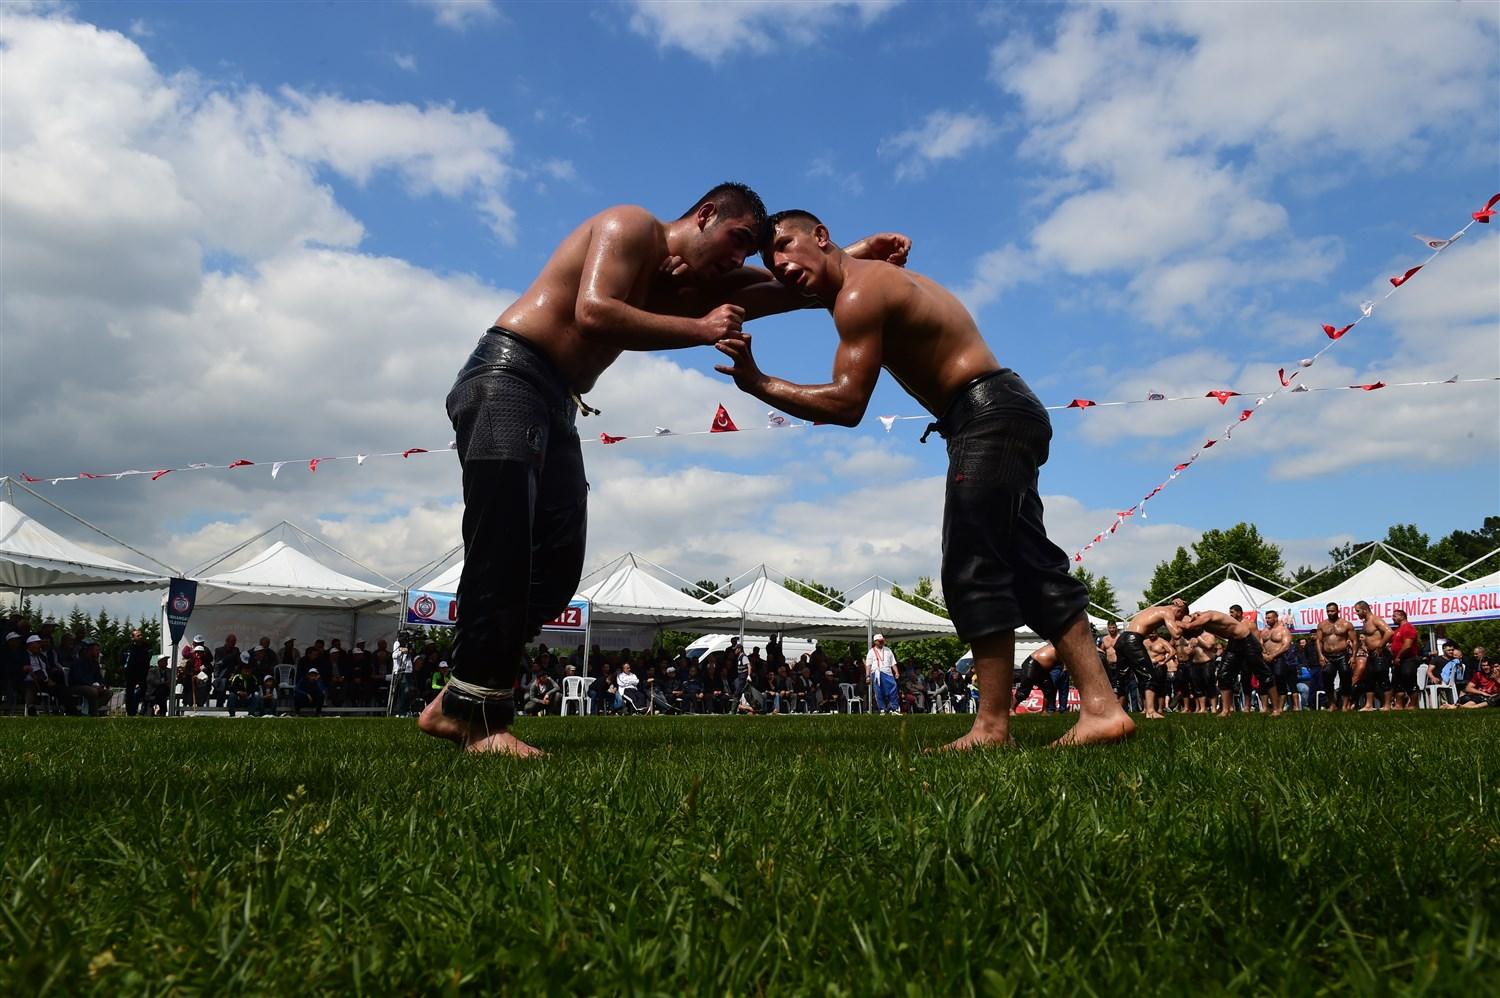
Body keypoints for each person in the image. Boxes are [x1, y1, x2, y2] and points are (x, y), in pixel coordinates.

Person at [418, 185, 906, 755]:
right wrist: (700, 328)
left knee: (554, 564)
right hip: (510, 375)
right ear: (704, 215)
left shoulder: (679, 279)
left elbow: (783, 291)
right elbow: (594, 311)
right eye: (739, 239)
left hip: (555, 396)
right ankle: (476, 713)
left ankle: (462, 696)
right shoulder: (630, 226)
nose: (740, 258)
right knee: (503, 545)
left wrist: (853, 253)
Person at [715, 209, 1133, 749]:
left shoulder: (859, 294)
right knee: (1031, 567)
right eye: (772, 262)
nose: (781, 264)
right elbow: (825, 279)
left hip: (987, 415)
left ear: (821, 236)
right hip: (1003, 411)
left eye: (787, 246)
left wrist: (757, 381)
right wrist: (860, 246)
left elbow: (846, 404)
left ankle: (991, 728)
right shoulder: (870, 280)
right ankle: (1102, 710)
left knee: (973, 567)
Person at [1181, 606, 1261, 717]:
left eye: (1232, 612)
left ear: (1239, 612)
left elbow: (1257, 639)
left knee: (1249, 678)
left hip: (1248, 649)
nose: (1230, 614)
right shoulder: (1223, 625)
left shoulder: (1248, 624)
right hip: (1234, 649)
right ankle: (1226, 709)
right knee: (1224, 677)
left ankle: (1252, 707)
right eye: (1230, 612)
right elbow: (1224, 636)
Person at [1112, 602, 1189, 719]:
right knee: (1149, 676)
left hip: (1122, 639)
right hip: (1133, 639)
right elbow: (1176, 634)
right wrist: (1186, 625)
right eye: (1179, 617)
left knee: (1121, 678)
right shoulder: (1167, 612)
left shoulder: (1155, 609)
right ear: (1179, 611)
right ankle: (1151, 711)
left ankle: (1114, 713)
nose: (1176, 619)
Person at [1316, 604, 1357, 711]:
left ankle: (1345, 705)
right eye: (1328, 611)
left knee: (1346, 678)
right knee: (1327, 679)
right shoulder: (1322, 625)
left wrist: (1353, 656)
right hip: (1328, 656)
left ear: (1338, 611)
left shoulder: (1346, 624)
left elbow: (1355, 641)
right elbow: (1318, 641)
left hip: (1342, 655)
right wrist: (1320, 655)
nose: (1330, 613)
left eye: (1332, 611)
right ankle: (1332, 704)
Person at [1354, 601, 1393, 712]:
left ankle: (1387, 705)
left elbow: (1389, 632)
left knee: (1383, 678)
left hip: (1380, 654)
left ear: (1365, 609)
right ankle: (1368, 705)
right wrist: (1364, 645)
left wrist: (1380, 645)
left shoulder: (1375, 620)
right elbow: (1369, 637)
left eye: (1358, 611)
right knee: (1369, 679)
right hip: (1371, 654)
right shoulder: (1365, 622)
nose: (1357, 614)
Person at [1258, 610, 1292, 716]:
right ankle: (1265, 707)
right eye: (1266, 618)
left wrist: (1273, 655)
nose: (1267, 620)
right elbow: (1260, 644)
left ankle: (1280, 707)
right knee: (1264, 682)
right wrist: (1264, 655)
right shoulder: (1264, 631)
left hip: (1279, 658)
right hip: (1266, 659)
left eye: (1269, 618)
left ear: (1275, 618)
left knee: (1279, 679)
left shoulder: (1283, 630)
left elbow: (1286, 645)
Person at [68, 638, 111, 716]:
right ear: (88, 651)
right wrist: (92, 685)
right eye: (96, 650)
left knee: (108, 693)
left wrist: (101, 685)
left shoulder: (95, 663)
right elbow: (78, 678)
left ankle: (89, 709)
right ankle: (93, 713)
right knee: (93, 692)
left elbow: (99, 677)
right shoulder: (78, 662)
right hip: (77, 686)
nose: (98, 653)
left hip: (92, 686)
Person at [1388, 608, 1421, 709]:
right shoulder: (1397, 630)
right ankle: (1399, 705)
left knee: (1409, 680)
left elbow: (1408, 645)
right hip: (1398, 661)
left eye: (1394, 616)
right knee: (1397, 683)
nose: (1392, 618)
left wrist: (1398, 656)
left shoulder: (1408, 628)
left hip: (1408, 659)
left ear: (1401, 616)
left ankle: (1413, 704)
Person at [1013, 644, 1056, 714]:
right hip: (1032, 664)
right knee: (1024, 690)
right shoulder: (1061, 646)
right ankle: (1011, 709)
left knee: (1049, 689)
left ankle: (1044, 711)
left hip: (1043, 669)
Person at [866, 633, 899, 715]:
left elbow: (893, 663)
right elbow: (868, 665)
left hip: (888, 672)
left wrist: (896, 672)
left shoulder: (888, 650)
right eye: (879, 641)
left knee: (893, 689)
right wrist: (868, 676)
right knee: (879, 692)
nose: (881, 643)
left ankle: (894, 709)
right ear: (875, 642)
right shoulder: (871, 652)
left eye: (882, 641)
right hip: (876, 673)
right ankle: (882, 709)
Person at [122, 628, 153, 717]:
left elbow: (149, 655)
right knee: (129, 693)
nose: (140, 637)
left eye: (141, 635)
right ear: (133, 638)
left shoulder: (146, 646)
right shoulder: (127, 648)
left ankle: (143, 711)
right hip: (130, 674)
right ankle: (130, 712)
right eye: (138, 635)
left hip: (143, 673)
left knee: (144, 692)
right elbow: (122, 659)